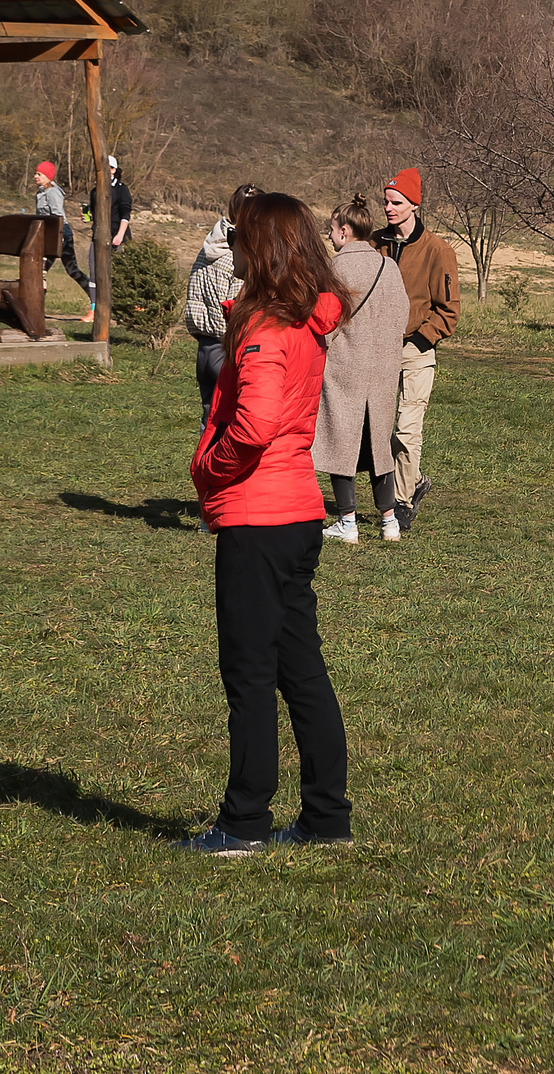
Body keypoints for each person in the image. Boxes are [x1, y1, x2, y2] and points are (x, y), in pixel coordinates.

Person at [182, 193, 353, 855]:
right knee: (299, 667)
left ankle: (243, 821)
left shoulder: (265, 328)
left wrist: (213, 467)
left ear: (267, 249)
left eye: (245, 240)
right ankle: (325, 815)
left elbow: (253, 423)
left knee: (249, 671)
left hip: (259, 516)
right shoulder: (305, 322)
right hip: (297, 514)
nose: (238, 252)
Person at [314, 197, 406, 544]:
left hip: (344, 367)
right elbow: (402, 316)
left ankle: (347, 522)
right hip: (382, 369)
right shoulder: (390, 267)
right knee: (379, 446)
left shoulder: (335, 268)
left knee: (343, 441)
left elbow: (324, 319)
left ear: (344, 230)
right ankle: (389, 521)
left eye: (332, 229)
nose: (330, 235)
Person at [375, 168, 459, 537]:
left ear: (414, 204)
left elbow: (449, 309)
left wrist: (421, 340)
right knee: (377, 432)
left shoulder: (438, 250)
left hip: (416, 351)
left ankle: (403, 501)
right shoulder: (375, 243)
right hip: (377, 351)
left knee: (407, 430)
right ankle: (414, 481)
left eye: (396, 202)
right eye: (386, 202)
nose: (389, 208)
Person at [185, 185, 261, 427]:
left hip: (204, 347)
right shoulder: (238, 253)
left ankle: (202, 464)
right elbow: (235, 305)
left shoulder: (208, 246)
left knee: (209, 421)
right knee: (231, 423)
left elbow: (193, 291)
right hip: (228, 349)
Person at [32, 160, 94, 323]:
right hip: (48, 236)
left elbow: (57, 217)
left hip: (60, 236)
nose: (35, 176)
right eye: (36, 173)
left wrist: (56, 239)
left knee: (71, 271)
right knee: (40, 272)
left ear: (48, 176)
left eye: (39, 174)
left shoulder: (53, 192)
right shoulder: (40, 193)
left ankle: (96, 302)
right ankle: (36, 309)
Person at [107, 155, 133, 251]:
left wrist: (120, 235)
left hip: (118, 238)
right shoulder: (95, 190)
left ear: (113, 169)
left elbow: (125, 214)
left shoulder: (122, 189)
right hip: (98, 238)